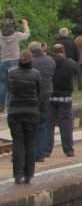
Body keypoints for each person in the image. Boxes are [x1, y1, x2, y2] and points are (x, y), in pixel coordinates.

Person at [7, 49, 41, 183]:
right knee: (31, 142)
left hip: (15, 110)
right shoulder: (36, 74)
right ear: (31, 60)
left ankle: (17, 174)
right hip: (31, 110)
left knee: (18, 143)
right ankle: (28, 174)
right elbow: (39, 91)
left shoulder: (12, 73)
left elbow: (10, 89)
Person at [48, 44, 77, 157]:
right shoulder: (69, 62)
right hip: (65, 97)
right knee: (66, 125)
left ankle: (47, 150)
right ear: (63, 51)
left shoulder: (48, 62)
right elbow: (78, 71)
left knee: (48, 125)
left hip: (50, 97)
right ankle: (68, 150)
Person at [29, 42, 55, 161]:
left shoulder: (30, 62)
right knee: (43, 124)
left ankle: (32, 152)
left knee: (31, 125)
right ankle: (42, 153)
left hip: (32, 96)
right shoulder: (50, 60)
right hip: (46, 94)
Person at [1, 10, 30, 111]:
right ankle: (10, 104)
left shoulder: (0, 36)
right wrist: (25, 25)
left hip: (3, 61)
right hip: (14, 61)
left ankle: (1, 105)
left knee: (2, 83)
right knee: (12, 83)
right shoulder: (16, 35)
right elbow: (27, 35)